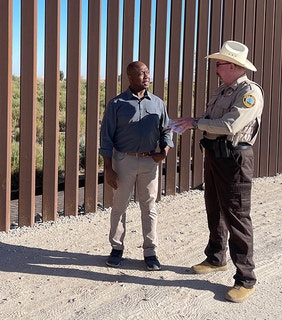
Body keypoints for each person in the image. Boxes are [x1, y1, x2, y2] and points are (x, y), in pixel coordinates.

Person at [169, 40, 263, 302]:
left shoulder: (249, 92)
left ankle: (246, 278)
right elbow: (213, 121)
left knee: (237, 215)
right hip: (215, 155)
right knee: (214, 207)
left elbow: (230, 125)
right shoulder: (223, 91)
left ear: (233, 66)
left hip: (234, 159)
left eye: (219, 64)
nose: (216, 68)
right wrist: (196, 124)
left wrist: (195, 122)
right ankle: (216, 257)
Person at [99, 61, 174, 271]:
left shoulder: (158, 103)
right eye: (142, 73)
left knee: (149, 207)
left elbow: (167, 130)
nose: (147, 76)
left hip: (150, 162)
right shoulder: (116, 104)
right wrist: (109, 168)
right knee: (119, 206)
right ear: (130, 77)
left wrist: (164, 152)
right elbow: (106, 138)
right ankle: (116, 248)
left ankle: (150, 252)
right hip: (124, 161)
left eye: (148, 72)